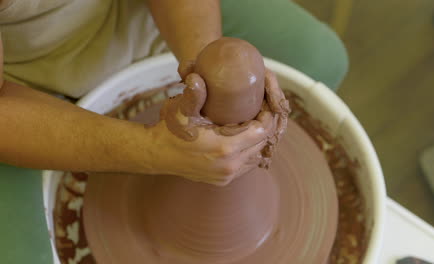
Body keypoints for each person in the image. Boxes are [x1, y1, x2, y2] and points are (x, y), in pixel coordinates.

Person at [0, 0, 348, 263]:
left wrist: (208, 71)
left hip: (134, 12)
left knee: (319, 56)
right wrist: (151, 151)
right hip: (22, 78)